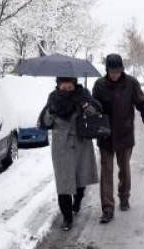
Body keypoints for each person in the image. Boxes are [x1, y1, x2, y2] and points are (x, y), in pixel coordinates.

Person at [92, 54, 144, 224]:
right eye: (111, 71)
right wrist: (92, 108)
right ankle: (107, 208)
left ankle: (124, 197)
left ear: (122, 69)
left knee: (124, 170)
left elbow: (143, 104)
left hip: (124, 133)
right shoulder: (99, 85)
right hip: (105, 134)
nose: (114, 74)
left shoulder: (131, 83)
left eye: (117, 71)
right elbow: (93, 108)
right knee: (106, 172)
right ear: (107, 70)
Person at [38, 77, 101, 231]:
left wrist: (86, 105)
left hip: (81, 143)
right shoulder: (53, 98)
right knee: (64, 183)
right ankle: (67, 218)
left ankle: (78, 200)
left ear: (74, 83)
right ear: (59, 85)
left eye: (69, 85)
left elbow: (95, 113)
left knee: (80, 179)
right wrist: (50, 111)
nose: (66, 88)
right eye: (63, 85)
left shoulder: (83, 94)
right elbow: (45, 123)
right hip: (61, 146)